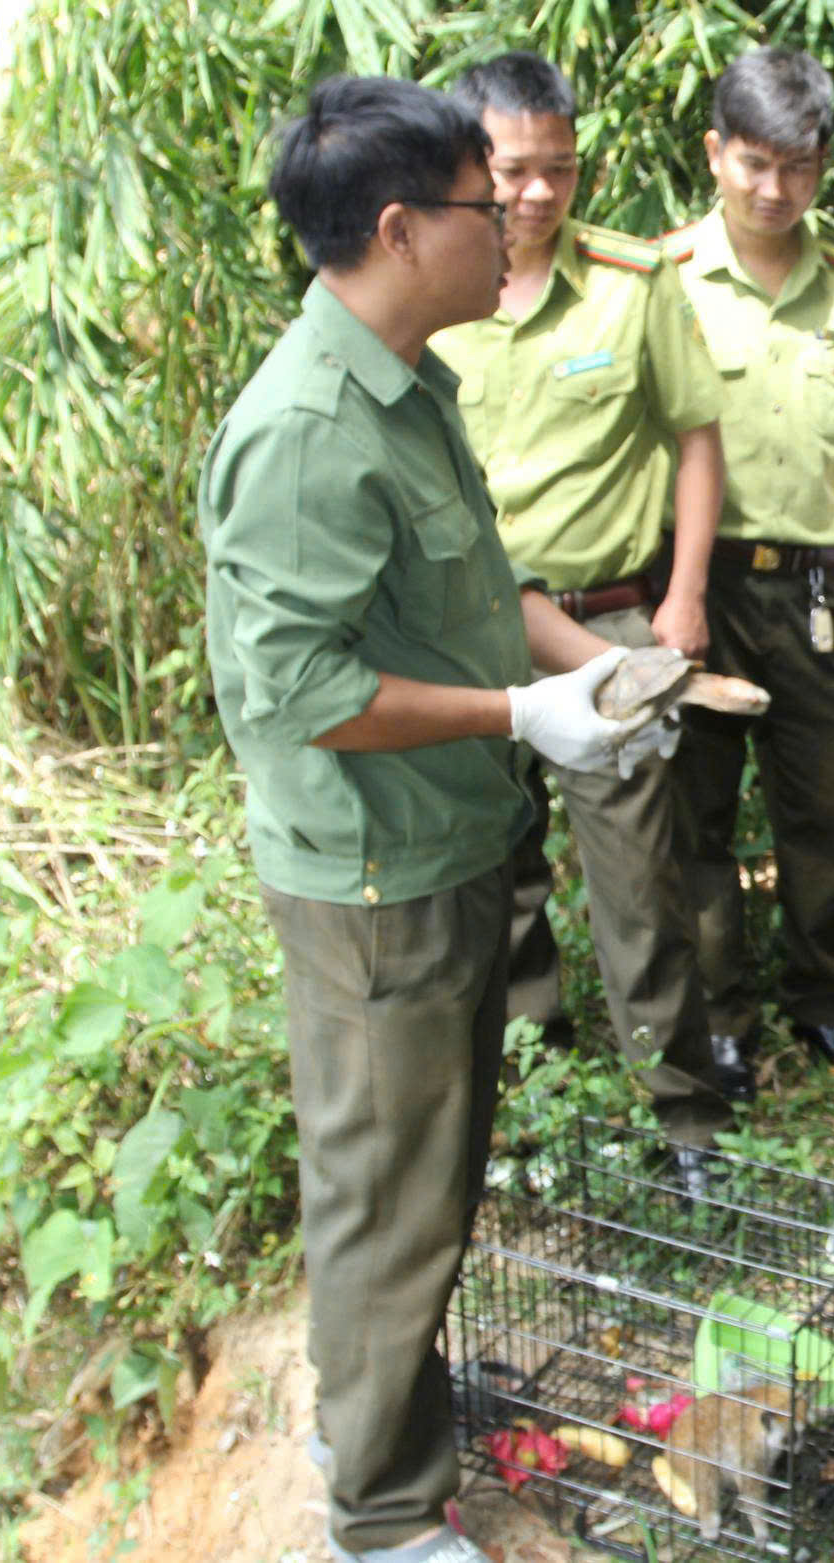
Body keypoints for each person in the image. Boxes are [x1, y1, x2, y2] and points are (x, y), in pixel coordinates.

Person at [201, 75, 652, 1563]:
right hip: (375, 871)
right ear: (400, 229)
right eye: (483, 200)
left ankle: (378, 1410)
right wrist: (517, 718)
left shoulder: (411, 386)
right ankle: (383, 1511)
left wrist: (597, 669)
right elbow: (304, 692)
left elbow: (473, 595)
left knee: (423, 1162)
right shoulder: (308, 430)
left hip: (447, 838)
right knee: (389, 1182)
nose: (516, 218)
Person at [429, 50, 732, 1145]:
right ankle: (530, 1090)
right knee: (487, 868)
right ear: (467, 162)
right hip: (462, 630)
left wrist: (683, 597)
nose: (539, 194)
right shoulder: (422, 280)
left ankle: (683, 1115)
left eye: (560, 168)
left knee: (638, 877)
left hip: (601, 622)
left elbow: (697, 438)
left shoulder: (632, 281)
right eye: (513, 170)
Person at [662, 46, 834, 1093]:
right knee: (696, 809)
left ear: (823, 166)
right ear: (715, 154)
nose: (774, 190)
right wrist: (665, 596)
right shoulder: (660, 279)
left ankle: (827, 999)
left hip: (818, 583)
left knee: (823, 808)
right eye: (753, 163)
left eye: (798, 167)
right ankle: (719, 1013)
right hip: (698, 581)